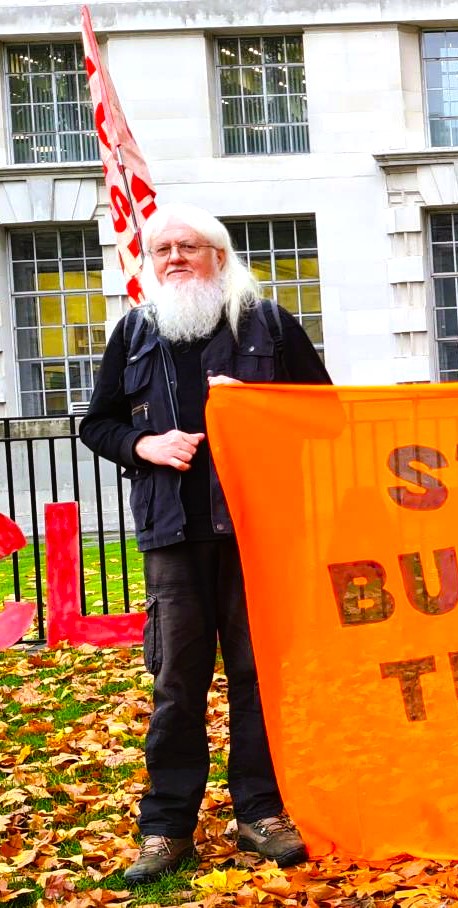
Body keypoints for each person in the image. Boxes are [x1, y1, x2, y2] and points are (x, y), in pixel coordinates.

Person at [80, 203, 333, 883]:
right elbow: (97, 424)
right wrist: (143, 444)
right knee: (176, 683)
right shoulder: (135, 331)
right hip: (172, 532)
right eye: (162, 250)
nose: (174, 258)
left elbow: (325, 417)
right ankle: (166, 829)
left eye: (188, 246)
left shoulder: (268, 324)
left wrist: (256, 404)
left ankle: (261, 813)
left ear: (218, 257)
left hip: (256, 532)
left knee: (258, 679)